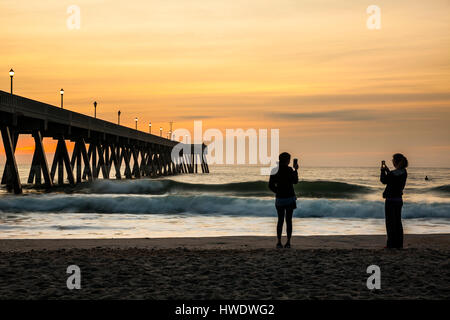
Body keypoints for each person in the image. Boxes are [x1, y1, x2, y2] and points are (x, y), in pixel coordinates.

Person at [269, 152, 299, 248]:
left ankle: (278, 242)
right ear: (287, 160)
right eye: (289, 160)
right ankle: (288, 242)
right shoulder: (290, 169)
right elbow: (295, 181)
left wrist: (278, 191)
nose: (289, 161)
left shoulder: (274, 170)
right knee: (288, 220)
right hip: (289, 198)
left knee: (280, 220)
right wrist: (296, 170)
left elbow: (270, 185)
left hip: (279, 199)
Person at [380, 153, 408, 249]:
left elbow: (384, 180)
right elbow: (393, 178)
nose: (392, 161)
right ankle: (399, 245)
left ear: (396, 161)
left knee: (390, 223)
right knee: (397, 223)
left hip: (390, 200)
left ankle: (390, 245)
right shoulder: (404, 172)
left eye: (393, 160)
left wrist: (382, 171)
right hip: (398, 200)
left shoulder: (393, 173)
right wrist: (388, 170)